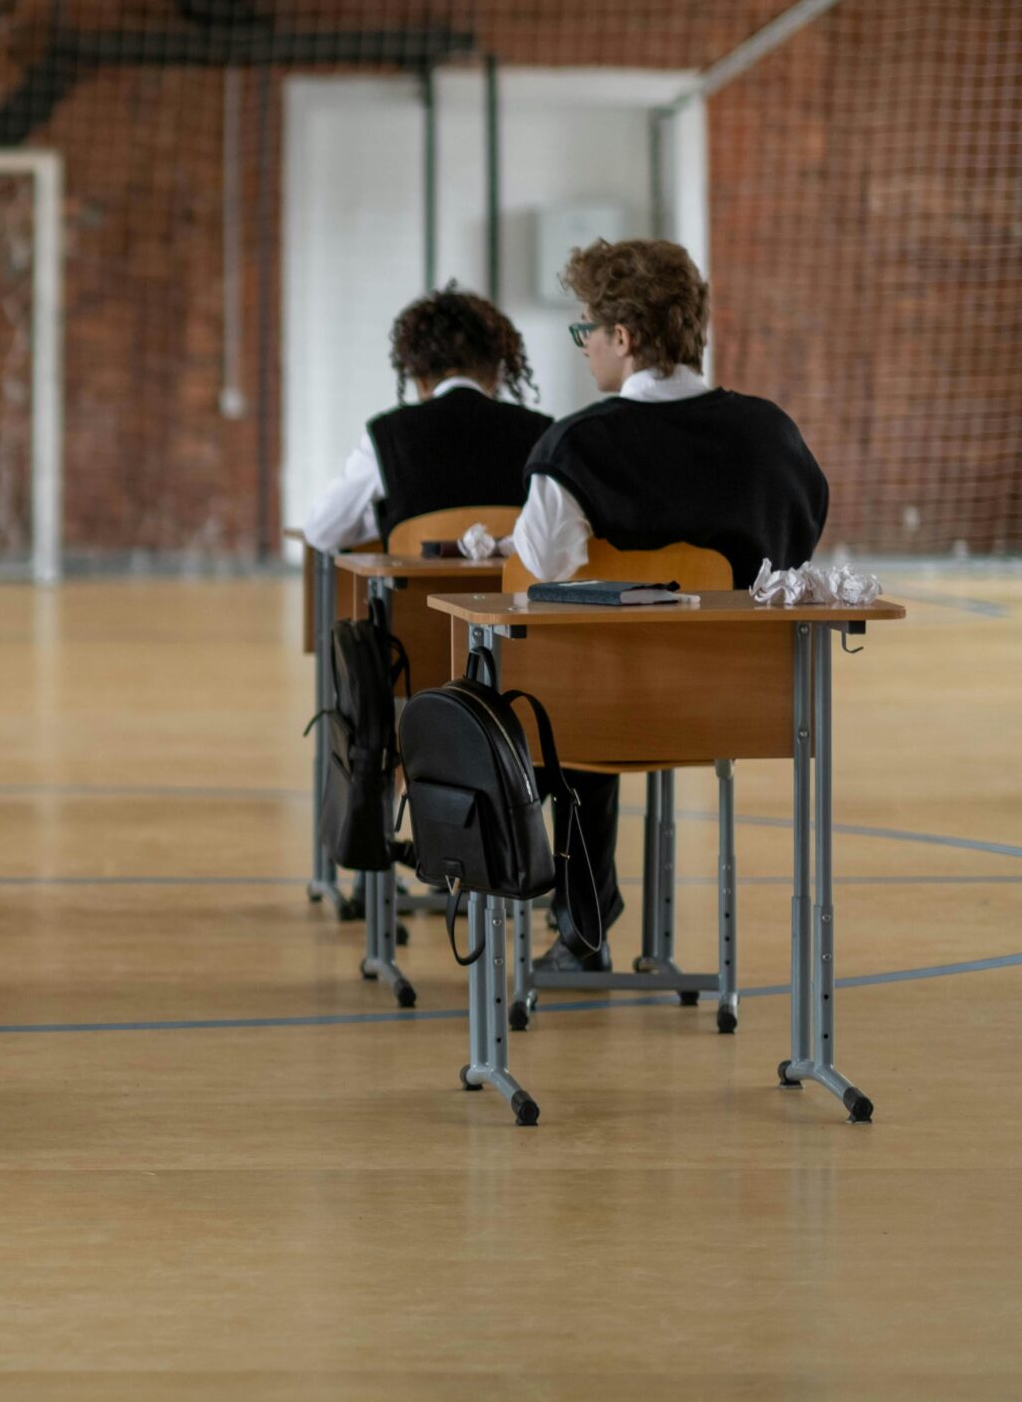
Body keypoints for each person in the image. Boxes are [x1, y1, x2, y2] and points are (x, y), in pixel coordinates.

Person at [514, 238, 828, 972]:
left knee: (565, 682)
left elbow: (538, 566)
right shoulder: (772, 435)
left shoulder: (578, 445)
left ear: (622, 338)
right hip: (735, 706)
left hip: (601, 710)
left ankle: (574, 921)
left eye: (585, 328)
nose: (584, 345)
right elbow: (796, 543)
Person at [301, 283, 550, 555]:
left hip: (414, 598)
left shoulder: (388, 436)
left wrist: (386, 524)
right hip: (512, 596)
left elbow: (321, 530)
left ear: (419, 378)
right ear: (495, 375)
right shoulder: (542, 433)